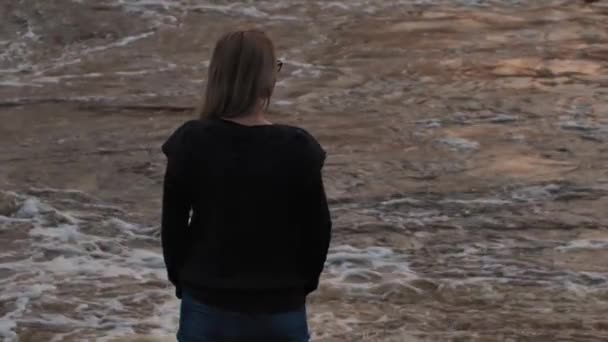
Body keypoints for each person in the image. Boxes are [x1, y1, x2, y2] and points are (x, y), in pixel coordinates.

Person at [161, 29, 332, 342]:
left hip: (208, 302)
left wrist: (185, 282)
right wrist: (299, 285)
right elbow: (318, 231)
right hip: (280, 307)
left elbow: (173, 228)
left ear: (217, 74)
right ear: (266, 79)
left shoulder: (191, 141)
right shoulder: (297, 147)